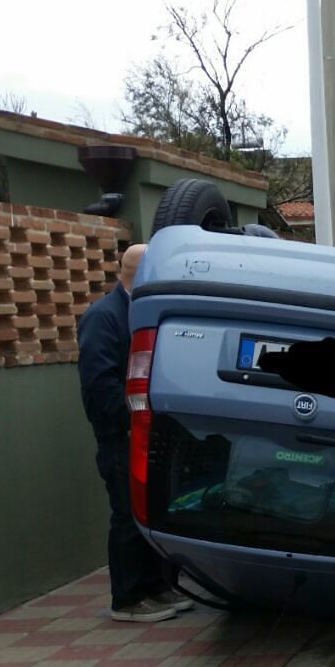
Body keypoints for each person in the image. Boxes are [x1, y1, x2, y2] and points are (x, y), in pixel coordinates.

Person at [77, 244, 194, 622]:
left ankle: (156, 586)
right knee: (127, 514)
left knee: (152, 511)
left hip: (148, 430)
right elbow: (99, 383)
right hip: (121, 436)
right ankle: (127, 598)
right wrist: (133, 419)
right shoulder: (104, 317)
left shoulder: (143, 313)